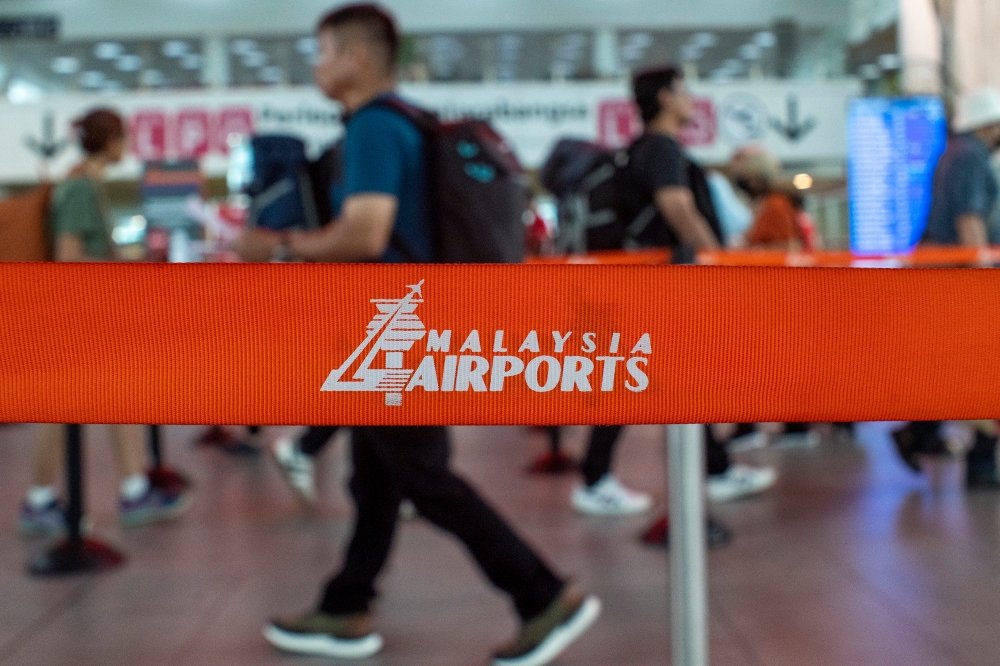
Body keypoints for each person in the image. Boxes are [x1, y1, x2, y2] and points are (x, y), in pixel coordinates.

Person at [234, 6, 600, 664]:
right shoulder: (401, 122)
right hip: (408, 319)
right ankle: (345, 605)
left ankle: (541, 594)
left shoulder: (375, 125)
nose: (314, 65)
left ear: (359, 58)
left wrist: (278, 245)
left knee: (424, 478)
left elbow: (366, 233)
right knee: (377, 477)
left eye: (321, 51)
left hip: (395, 325)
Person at [571, 67, 776, 517]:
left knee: (670, 378)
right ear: (665, 98)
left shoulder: (641, 150)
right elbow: (676, 207)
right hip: (660, 284)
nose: (693, 99)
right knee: (650, 380)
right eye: (685, 91)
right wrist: (716, 256)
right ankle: (598, 478)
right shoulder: (662, 148)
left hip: (644, 284)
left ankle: (711, 469)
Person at [19, 109, 191, 535]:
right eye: (123, 136)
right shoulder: (79, 186)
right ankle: (42, 499)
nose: (128, 144)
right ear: (110, 140)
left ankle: (131, 489)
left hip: (83, 313)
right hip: (75, 315)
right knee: (62, 410)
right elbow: (69, 256)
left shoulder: (85, 182)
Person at [892, 87, 1000, 489]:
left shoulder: (953, 152)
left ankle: (921, 433)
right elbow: (969, 221)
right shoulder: (972, 156)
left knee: (952, 365)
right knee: (985, 365)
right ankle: (980, 459)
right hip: (961, 277)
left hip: (942, 274)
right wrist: (986, 276)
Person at [728, 146, 802, 251]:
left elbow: (790, 246)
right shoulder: (753, 204)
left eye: (742, 174)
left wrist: (755, 251)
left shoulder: (776, 203)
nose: (739, 178)